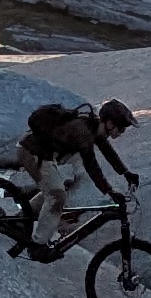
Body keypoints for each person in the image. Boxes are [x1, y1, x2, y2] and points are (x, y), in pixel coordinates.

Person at [15, 95, 139, 250]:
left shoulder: (94, 127)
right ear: (109, 122)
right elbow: (91, 165)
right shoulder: (83, 132)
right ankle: (38, 244)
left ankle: (19, 221)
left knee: (56, 189)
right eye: (120, 128)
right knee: (57, 195)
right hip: (31, 153)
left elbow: (108, 152)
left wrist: (126, 173)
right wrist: (109, 191)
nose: (121, 132)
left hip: (43, 155)